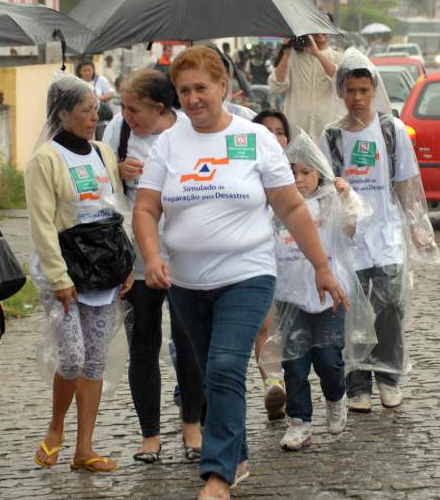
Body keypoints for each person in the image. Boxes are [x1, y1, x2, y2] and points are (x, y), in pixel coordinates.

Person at [133, 46, 348, 500]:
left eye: (201, 89)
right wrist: (152, 258)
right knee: (214, 372)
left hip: (248, 275)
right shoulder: (169, 143)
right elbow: (147, 207)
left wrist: (322, 267)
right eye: (183, 90)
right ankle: (238, 452)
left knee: (226, 364)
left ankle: (217, 475)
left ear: (224, 88)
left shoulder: (255, 139)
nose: (192, 99)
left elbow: (290, 205)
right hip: (187, 284)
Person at [319, 49, 440, 413]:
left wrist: (417, 225)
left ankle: (388, 377)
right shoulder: (332, 136)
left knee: (388, 308)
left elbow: (405, 181)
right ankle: (357, 384)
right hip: (349, 236)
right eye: (350, 90)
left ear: (374, 89)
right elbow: (323, 185)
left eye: (363, 90)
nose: (357, 98)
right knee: (353, 311)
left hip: (386, 234)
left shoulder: (391, 129)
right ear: (341, 91)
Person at [26, 74, 133, 473]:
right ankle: (56, 428)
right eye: (86, 109)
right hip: (66, 268)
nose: (95, 115)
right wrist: (59, 278)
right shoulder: (45, 160)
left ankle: (84, 448)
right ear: (63, 113)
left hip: (105, 266)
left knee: (95, 361)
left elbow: (115, 208)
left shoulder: (104, 153)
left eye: (95, 108)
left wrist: (126, 263)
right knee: (71, 356)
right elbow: (40, 224)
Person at [101, 69, 204, 463]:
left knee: (189, 343)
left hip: (184, 256)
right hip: (138, 261)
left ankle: (192, 427)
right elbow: (104, 188)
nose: (126, 115)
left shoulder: (187, 133)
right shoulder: (118, 133)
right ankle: (150, 436)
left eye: (134, 108)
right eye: (124, 107)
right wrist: (117, 172)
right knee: (142, 345)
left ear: (160, 108)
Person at [265, 132, 373, 451]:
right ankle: (300, 423)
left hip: (329, 297)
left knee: (328, 359)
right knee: (294, 364)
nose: (298, 179)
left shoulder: (329, 202)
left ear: (319, 173)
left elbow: (355, 227)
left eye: (305, 172)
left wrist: (347, 197)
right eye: (291, 172)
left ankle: (336, 398)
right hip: (290, 297)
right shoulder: (275, 206)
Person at [250, 109, 293, 420]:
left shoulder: (300, 168)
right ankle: (273, 386)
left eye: (279, 131)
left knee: (294, 327)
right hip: (257, 256)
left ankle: (297, 385)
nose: (273, 138)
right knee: (265, 324)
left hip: (295, 259)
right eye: (266, 131)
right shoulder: (243, 169)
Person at [268, 27, 344, 143]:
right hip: (296, 133)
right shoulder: (292, 56)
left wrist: (317, 54)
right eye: (314, 28)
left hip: (327, 134)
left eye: (323, 27)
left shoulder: (339, 57)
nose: (319, 32)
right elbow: (276, 87)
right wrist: (286, 53)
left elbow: (341, 82)